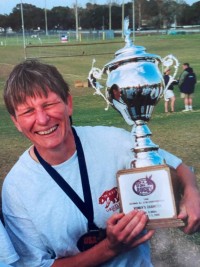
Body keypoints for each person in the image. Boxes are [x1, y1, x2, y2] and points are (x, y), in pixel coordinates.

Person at [2, 60, 200, 267]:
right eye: (28, 112)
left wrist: (191, 191)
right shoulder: (16, 188)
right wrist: (109, 248)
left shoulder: (113, 141)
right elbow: (37, 265)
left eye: (49, 104)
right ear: (16, 121)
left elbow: (177, 167)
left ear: (68, 103)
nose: (42, 119)